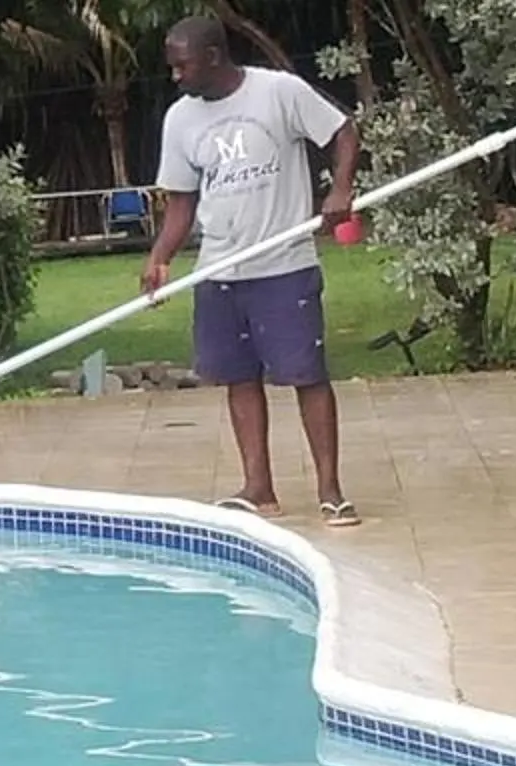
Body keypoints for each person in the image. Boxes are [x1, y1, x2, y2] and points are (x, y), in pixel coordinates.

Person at [141, 15, 363, 527]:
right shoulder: (180, 119)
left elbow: (343, 130)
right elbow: (181, 202)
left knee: (306, 375)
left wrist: (341, 188)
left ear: (214, 56)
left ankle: (330, 490)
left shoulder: (278, 92)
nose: (176, 76)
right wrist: (159, 257)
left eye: (182, 65)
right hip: (219, 269)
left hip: (284, 266)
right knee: (239, 377)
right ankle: (258, 488)